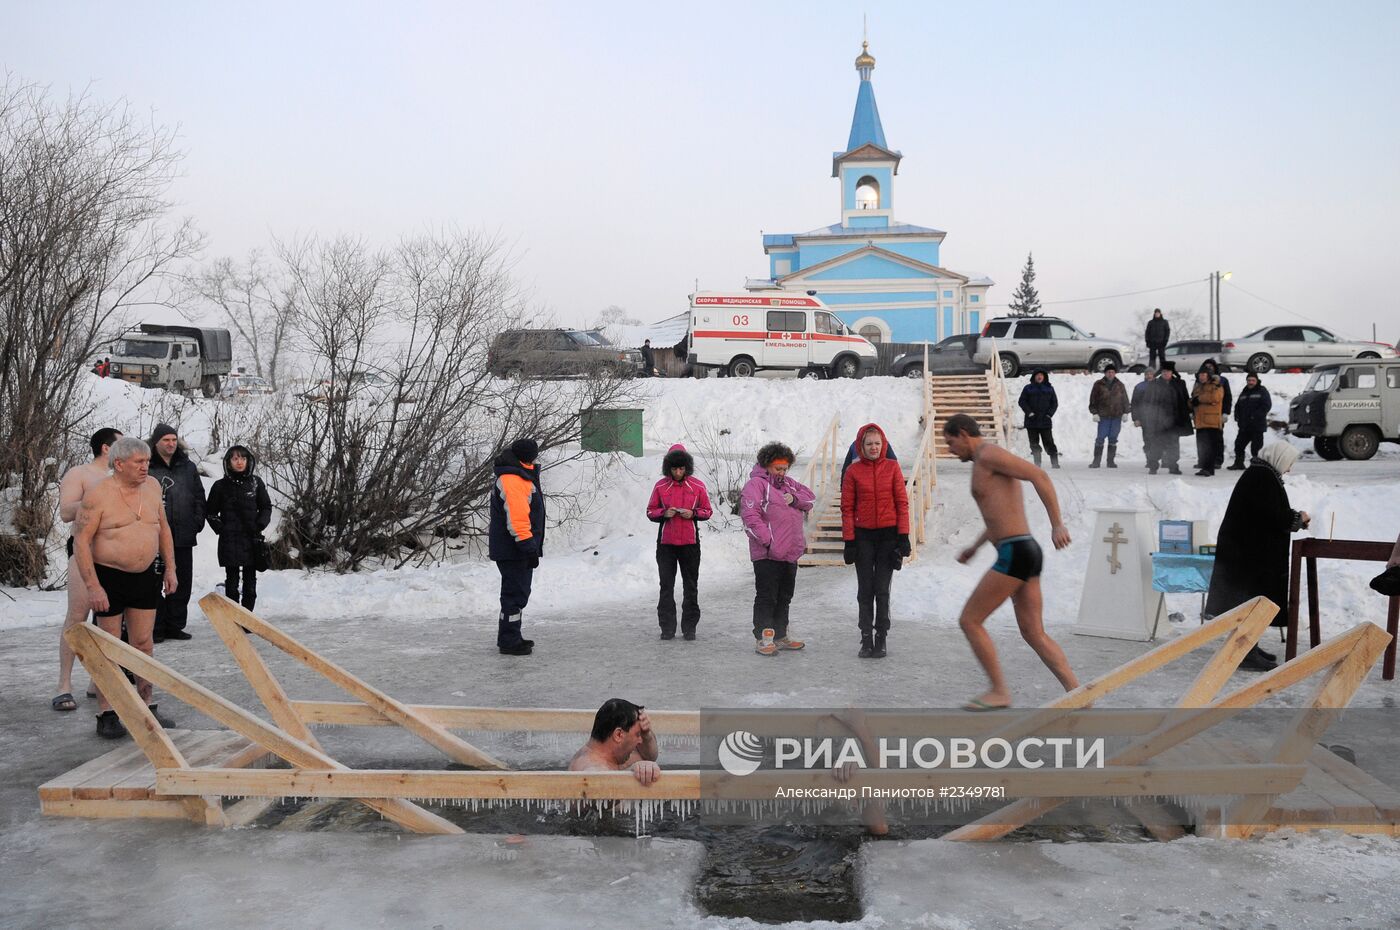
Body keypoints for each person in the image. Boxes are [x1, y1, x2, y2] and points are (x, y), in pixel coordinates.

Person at [943, 414, 1079, 710]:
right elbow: (997, 517)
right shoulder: (983, 463)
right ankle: (1078, 693)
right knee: (1034, 632)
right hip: (1024, 550)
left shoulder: (989, 455)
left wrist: (1057, 524)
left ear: (964, 433)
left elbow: (1038, 475)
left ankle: (999, 690)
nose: (950, 450)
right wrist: (975, 547)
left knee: (970, 620)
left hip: (1016, 552)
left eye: (950, 442)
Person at [71, 437, 180, 738]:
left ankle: (146, 706)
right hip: (109, 577)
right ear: (118, 464)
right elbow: (81, 541)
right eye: (139, 463)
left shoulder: (153, 488)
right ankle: (107, 711)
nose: (146, 467)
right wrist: (93, 586)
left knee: (143, 643)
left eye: (147, 462)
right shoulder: (98, 494)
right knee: (110, 647)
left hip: (145, 576)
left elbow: (163, 530)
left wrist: (170, 568)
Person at [1204, 442, 1311, 671]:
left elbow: (1268, 513)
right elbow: (1274, 515)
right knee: (1249, 600)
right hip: (1247, 556)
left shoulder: (1262, 474)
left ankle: (1248, 645)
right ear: (1279, 458)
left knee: (1252, 601)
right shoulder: (1261, 477)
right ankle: (1245, 652)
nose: (1289, 469)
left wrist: (1294, 519)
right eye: (1289, 463)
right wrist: (1298, 518)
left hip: (1248, 552)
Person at [53, 428, 123, 712]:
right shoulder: (80, 474)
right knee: (78, 616)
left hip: (116, 552)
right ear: (106, 449)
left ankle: (99, 680)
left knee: (110, 619)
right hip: (85, 551)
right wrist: (99, 497)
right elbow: (67, 512)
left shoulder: (125, 477)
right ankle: (64, 684)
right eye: (121, 444)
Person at [840, 424, 910, 658]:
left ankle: (881, 637)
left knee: (882, 589)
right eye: (869, 443)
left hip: (888, 537)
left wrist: (904, 537)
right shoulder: (853, 471)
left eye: (877, 443)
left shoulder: (892, 468)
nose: (873, 447)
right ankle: (866, 638)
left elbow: (902, 503)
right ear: (861, 446)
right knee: (865, 589)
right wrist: (849, 541)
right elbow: (847, 508)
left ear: (884, 445)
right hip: (863, 537)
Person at [740, 442, 816, 655]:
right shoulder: (755, 485)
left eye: (785, 469)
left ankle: (781, 635)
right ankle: (764, 638)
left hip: (789, 553)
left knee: (784, 596)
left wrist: (795, 500)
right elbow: (750, 517)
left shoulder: (789, 485)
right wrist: (769, 541)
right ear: (767, 465)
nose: (782, 473)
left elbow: (810, 498)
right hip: (767, 554)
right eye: (777, 468)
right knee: (767, 596)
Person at [645, 443, 713, 640]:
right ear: (668, 467)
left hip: (690, 545)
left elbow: (707, 511)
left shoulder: (698, 486)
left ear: (687, 467)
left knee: (690, 586)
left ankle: (689, 628)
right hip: (666, 545)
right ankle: (667, 628)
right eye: (674, 468)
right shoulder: (660, 486)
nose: (677, 472)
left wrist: (693, 514)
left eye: (681, 468)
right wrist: (663, 513)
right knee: (666, 586)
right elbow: (650, 511)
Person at [148, 424, 206, 642]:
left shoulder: (187, 466)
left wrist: (197, 522)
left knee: (181, 582)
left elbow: (199, 496)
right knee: (154, 582)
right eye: (166, 440)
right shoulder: (148, 466)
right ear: (156, 442)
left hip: (183, 535)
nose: (171, 444)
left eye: (173, 439)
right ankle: (156, 626)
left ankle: (175, 625)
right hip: (154, 537)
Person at [489, 438, 545, 656]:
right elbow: (518, 518)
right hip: (514, 549)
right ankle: (509, 640)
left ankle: (512, 636)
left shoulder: (520, 475)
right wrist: (528, 547)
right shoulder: (513, 479)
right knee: (514, 594)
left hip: (515, 548)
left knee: (517, 593)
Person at [205, 445, 273, 611]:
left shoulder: (256, 483)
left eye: (243, 458)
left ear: (248, 461)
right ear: (228, 463)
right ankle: (234, 616)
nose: (240, 462)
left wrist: (260, 525)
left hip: (252, 539)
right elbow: (210, 512)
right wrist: (222, 529)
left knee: (250, 581)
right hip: (230, 540)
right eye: (235, 459)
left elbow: (266, 507)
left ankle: (248, 617)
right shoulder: (220, 486)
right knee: (232, 581)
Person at [568, 698, 660, 785]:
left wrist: (647, 735)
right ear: (618, 735)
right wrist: (631, 772)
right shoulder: (592, 768)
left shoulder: (611, 757)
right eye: (638, 734)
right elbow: (599, 787)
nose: (640, 741)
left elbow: (649, 756)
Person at [1138, 361, 1192, 475]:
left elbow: (1185, 399)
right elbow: (1147, 401)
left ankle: (1173, 466)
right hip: (1158, 421)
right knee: (1157, 445)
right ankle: (1153, 466)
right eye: (1163, 371)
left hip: (1174, 421)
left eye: (1167, 371)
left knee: (1173, 445)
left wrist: (1189, 412)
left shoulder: (1179, 383)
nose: (1165, 373)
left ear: (1172, 372)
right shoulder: (1154, 384)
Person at [1087, 364, 1131, 469]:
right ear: (1105, 373)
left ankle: (1110, 461)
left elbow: (1125, 400)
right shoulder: (1098, 384)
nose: (1110, 374)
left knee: (1113, 439)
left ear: (1115, 373)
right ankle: (1096, 462)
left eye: (1112, 372)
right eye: (1108, 372)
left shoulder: (1120, 385)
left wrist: (1126, 412)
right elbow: (1093, 400)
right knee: (1100, 439)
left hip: (1116, 417)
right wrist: (1094, 413)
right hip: (1103, 417)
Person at [1017, 369, 1060, 469]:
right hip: (1031, 421)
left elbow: (1054, 403)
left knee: (1049, 442)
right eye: (1037, 375)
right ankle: (1037, 463)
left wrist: (1049, 414)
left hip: (1045, 421)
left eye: (1041, 375)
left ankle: (1055, 462)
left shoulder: (1049, 388)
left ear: (1044, 377)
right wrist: (1029, 412)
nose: (1039, 377)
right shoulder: (1028, 388)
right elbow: (1022, 401)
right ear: (1034, 377)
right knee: (1034, 443)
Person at [1229, 372, 1270, 469]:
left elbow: (1266, 405)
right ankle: (1239, 463)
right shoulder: (1244, 391)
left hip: (1257, 425)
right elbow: (1238, 405)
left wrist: (1255, 416)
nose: (1251, 382)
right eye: (1249, 380)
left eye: (1253, 380)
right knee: (1239, 445)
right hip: (1244, 426)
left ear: (1257, 381)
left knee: (1256, 448)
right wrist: (1237, 416)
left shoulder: (1262, 390)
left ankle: (1257, 466)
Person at [1190, 367, 1225, 477]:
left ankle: (1209, 469)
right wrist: (1191, 402)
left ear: (1208, 375)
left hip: (1211, 421)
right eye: (1200, 375)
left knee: (1210, 446)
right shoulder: (1198, 387)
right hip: (1200, 422)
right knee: (1203, 446)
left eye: (1203, 375)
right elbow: (1193, 399)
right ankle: (1205, 467)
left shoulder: (1216, 386)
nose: (1201, 377)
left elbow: (1215, 397)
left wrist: (1199, 399)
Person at [1201, 359, 1233, 470]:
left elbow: (1227, 397)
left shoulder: (1222, 380)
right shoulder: (1200, 379)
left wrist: (1225, 412)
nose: (1209, 368)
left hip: (1217, 414)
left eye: (1211, 366)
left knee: (1217, 438)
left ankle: (1218, 460)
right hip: (1203, 414)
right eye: (1206, 366)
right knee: (1203, 439)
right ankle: (1203, 460)